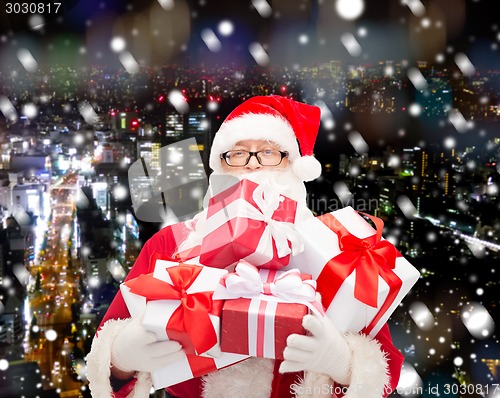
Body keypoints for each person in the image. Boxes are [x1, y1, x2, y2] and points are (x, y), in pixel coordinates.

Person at [86, 95, 404, 398]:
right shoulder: (172, 243)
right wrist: (121, 357)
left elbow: (385, 370)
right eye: (238, 153)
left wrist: (343, 363)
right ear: (221, 166)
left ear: (293, 164)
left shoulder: (333, 251)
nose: (253, 165)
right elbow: (106, 350)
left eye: (268, 151)